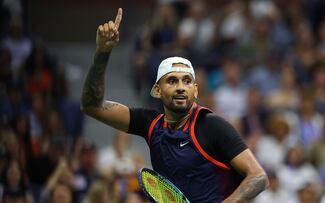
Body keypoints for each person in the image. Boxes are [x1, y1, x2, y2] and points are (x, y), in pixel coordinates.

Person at [81, 8, 268, 202]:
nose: (181, 87)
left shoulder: (212, 126)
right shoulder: (150, 124)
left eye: (186, 81)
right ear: (157, 90)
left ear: (195, 90)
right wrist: (102, 52)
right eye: (172, 81)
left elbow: (258, 176)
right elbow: (91, 106)